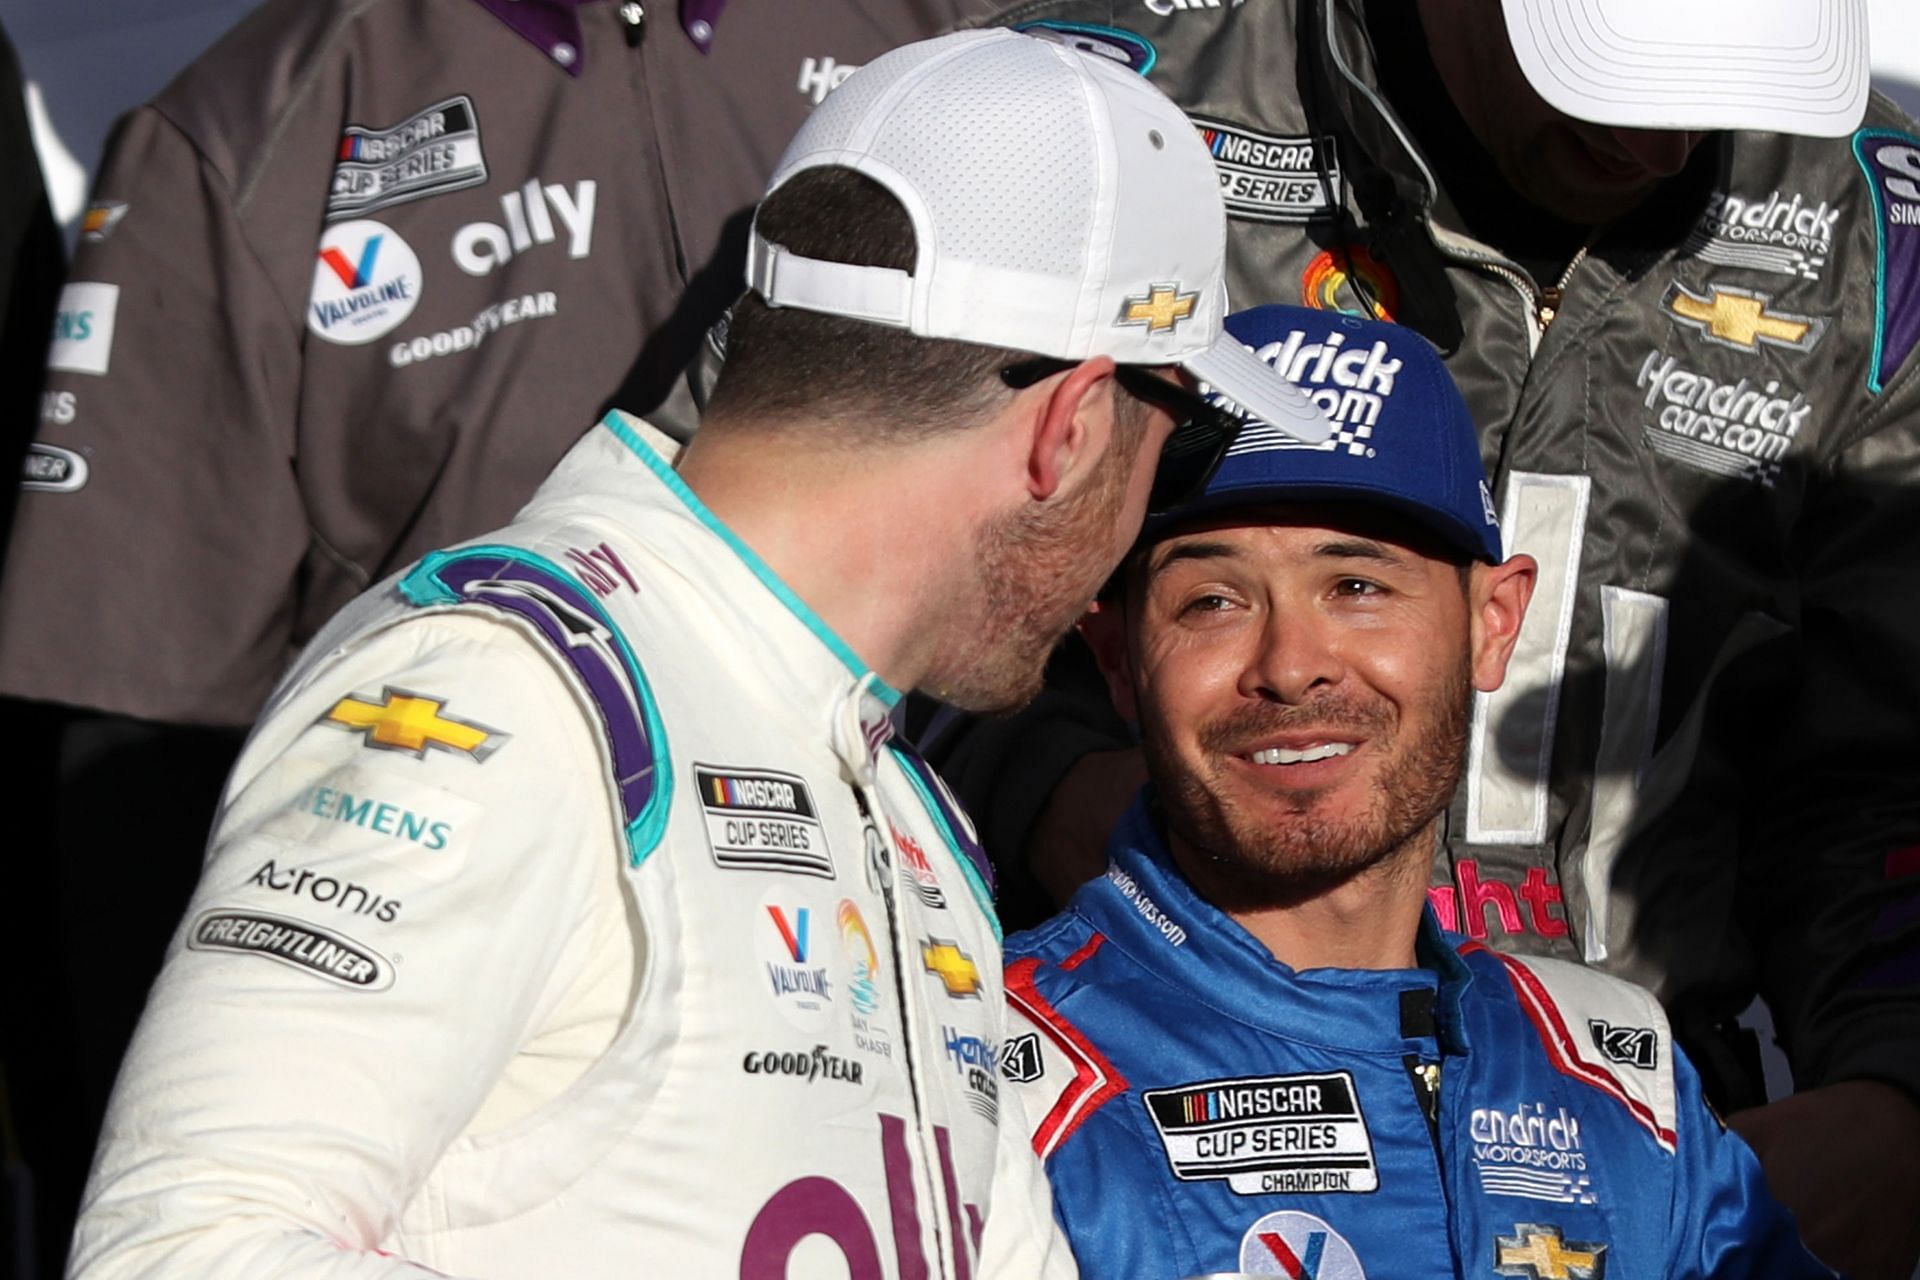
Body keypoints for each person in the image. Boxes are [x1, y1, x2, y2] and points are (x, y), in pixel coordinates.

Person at [67, 30, 1329, 1278]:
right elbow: (176, 1247)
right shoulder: (501, 686)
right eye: (1176, 446)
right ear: (1072, 425)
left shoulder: (906, 804)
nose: (1137, 529)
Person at [0, 2, 984, 1267]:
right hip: (514, 1049)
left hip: (937, 952)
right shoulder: (254, 122)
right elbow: (130, 717)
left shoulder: (931, 34)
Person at [942, 2, 1920, 1272]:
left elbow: (1883, 752)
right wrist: (1048, 781)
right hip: (1140, 1108)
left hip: (1673, 1140)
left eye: (1721, 84)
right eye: (1609, 72)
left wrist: (1896, 1093)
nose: (1663, 149)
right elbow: (779, 582)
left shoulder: (1869, 226)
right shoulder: (1085, 120)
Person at [1004, 302, 1831, 1280]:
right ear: (1117, 661)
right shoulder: (991, 1070)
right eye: (1211, 600)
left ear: (1493, 622)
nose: (1292, 665)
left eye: (1357, 584)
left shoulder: (1617, 1080)